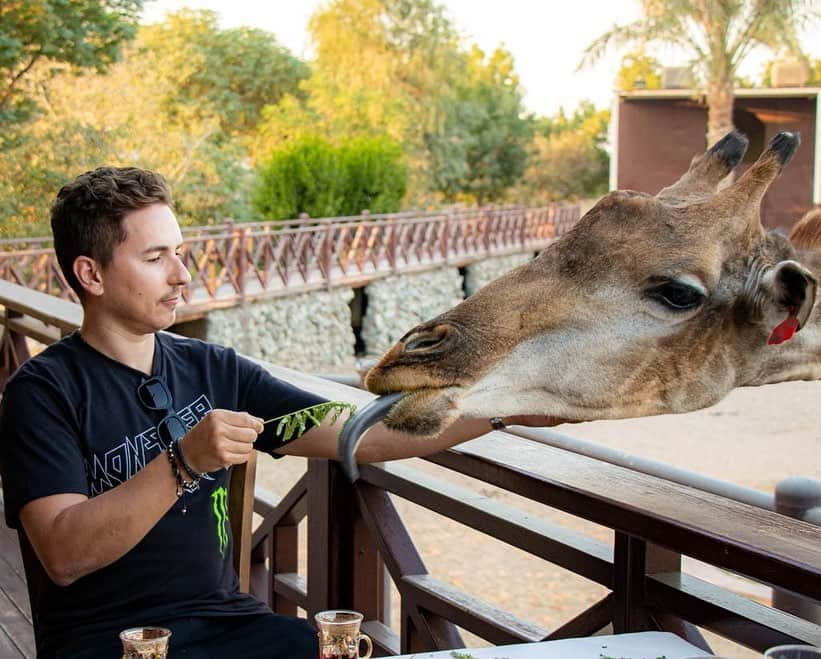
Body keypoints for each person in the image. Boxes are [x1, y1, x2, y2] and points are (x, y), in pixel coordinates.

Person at [0, 167, 556, 659]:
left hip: (228, 627)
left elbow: (365, 434)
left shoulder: (215, 370)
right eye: (154, 258)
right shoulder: (42, 393)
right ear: (91, 276)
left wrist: (509, 406)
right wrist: (184, 460)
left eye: (179, 251)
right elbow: (64, 553)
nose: (182, 274)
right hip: (107, 640)